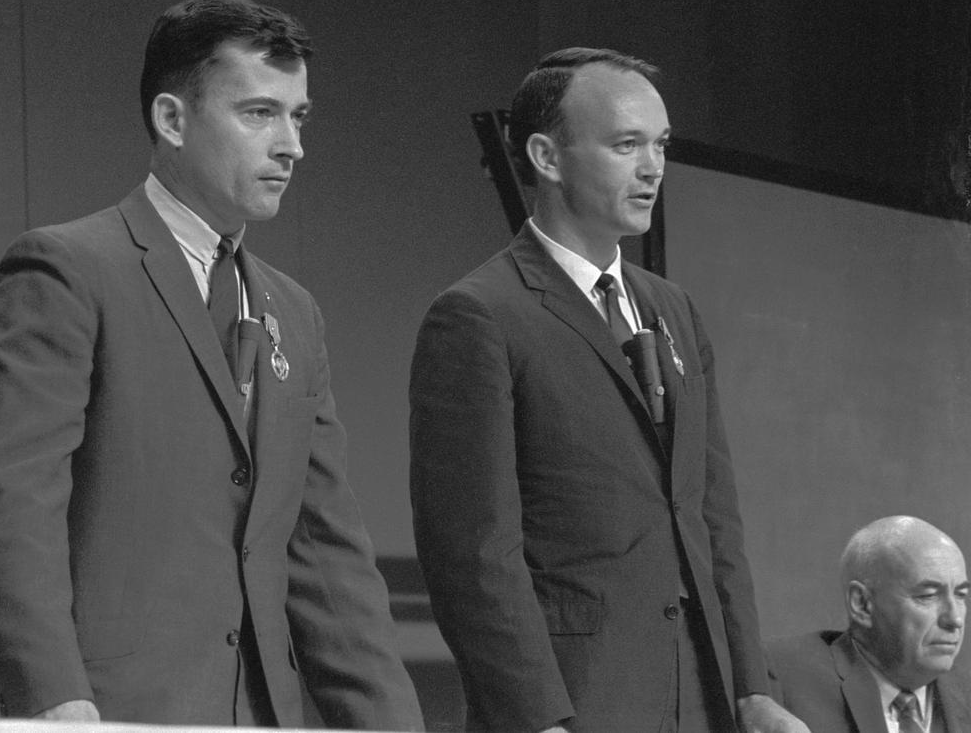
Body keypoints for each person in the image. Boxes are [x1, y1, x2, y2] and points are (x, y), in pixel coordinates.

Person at [0, 0, 423, 729]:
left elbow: (327, 553)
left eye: (298, 117)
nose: (291, 145)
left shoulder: (294, 314)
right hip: (115, 712)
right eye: (259, 113)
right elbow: (9, 502)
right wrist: (52, 695)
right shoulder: (68, 269)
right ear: (172, 119)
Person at [409, 48, 807, 732]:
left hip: (700, 703)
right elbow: (474, 556)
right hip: (579, 703)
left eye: (660, 145)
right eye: (627, 145)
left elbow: (714, 521)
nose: (654, 167)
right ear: (547, 155)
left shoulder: (673, 308)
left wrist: (751, 688)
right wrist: (537, 719)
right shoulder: (480, 314)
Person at [766, 516, 970, 732]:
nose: (955, 619)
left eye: (961, 595)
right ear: (862, 604)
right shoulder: (779, 681)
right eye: (927, 596)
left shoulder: (965, 694)